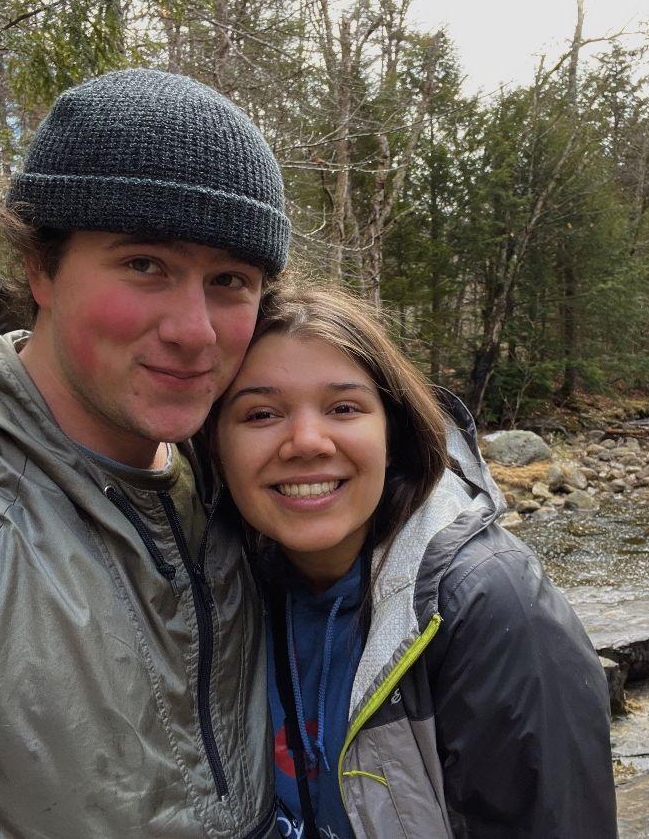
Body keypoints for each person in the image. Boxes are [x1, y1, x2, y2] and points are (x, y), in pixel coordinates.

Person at [0, 68, 289, 837]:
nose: (193, 330)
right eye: (145, 265)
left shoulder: (241, 483)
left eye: (229, 280)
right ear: (41, 266)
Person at [215, 285, 618, 839]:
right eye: (261, 414)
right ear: (215, 445)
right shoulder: (215, 591)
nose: (307, 442)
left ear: (394, 435)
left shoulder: (491, 607)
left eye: (344, 408)